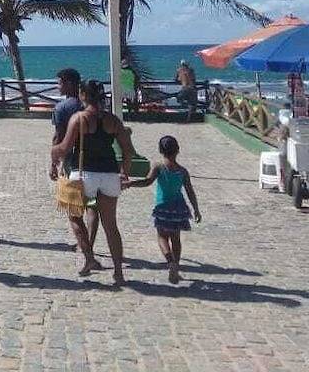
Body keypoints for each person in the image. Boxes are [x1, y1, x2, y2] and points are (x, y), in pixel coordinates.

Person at [50, 80, 134, 285]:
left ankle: (89, 257)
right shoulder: (113, 120)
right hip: (109, 174)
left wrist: (53, 152)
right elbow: (128, 150)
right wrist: (124, 172)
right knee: (111, 226)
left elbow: (65, 148)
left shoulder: (79, 118)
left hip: (84, 175)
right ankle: (118, 272)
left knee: (74, 217)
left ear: (83, 95)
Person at [123, 136, 202, 284]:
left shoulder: (159, 167)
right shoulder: (183, 171)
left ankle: (170, 262)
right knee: (176, 238)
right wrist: (196, 209)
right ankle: (176, 266)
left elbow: (147, 181)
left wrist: (131, 183)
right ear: (177, 150)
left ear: (160, 150)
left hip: (163, 207)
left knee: (162, 237)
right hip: (179, 208)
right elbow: (190, 191)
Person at [50, 68, 100, 260]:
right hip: (95, 159)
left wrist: (53, 162)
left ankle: (84, 248)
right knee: (92, 205)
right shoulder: (91, 105)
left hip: (73, 160)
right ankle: (90, 243)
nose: (58, 86)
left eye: (60, 83)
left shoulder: (62, 108)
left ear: (69, 83)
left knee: (74, 209)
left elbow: (58, 137)